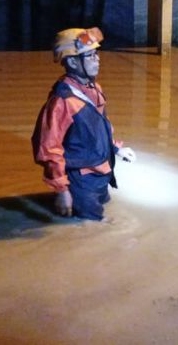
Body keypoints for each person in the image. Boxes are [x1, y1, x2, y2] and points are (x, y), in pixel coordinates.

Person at [31, 27, 136, 220]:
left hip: (101, 171)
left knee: (103, 207)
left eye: (96, 53)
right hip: (81, 180)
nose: (97, 59)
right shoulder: (62, 102)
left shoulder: (93, 88)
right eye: (89, 56)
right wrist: (62, 191)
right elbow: (49, 149)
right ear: (72, 61)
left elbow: (99, 126)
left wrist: (115, 148)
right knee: (93, 225)